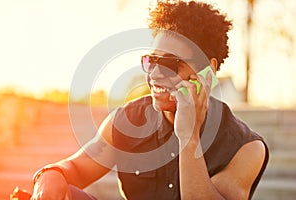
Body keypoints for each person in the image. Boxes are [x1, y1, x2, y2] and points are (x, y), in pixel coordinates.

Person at [30, 1, 269, 199]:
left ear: (208, 70)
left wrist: (189, 137)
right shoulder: (127, 119)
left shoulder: (246, 148)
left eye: (170, 64)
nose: (154, 74)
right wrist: (51, 175)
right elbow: (75, 168)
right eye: (151, 61)